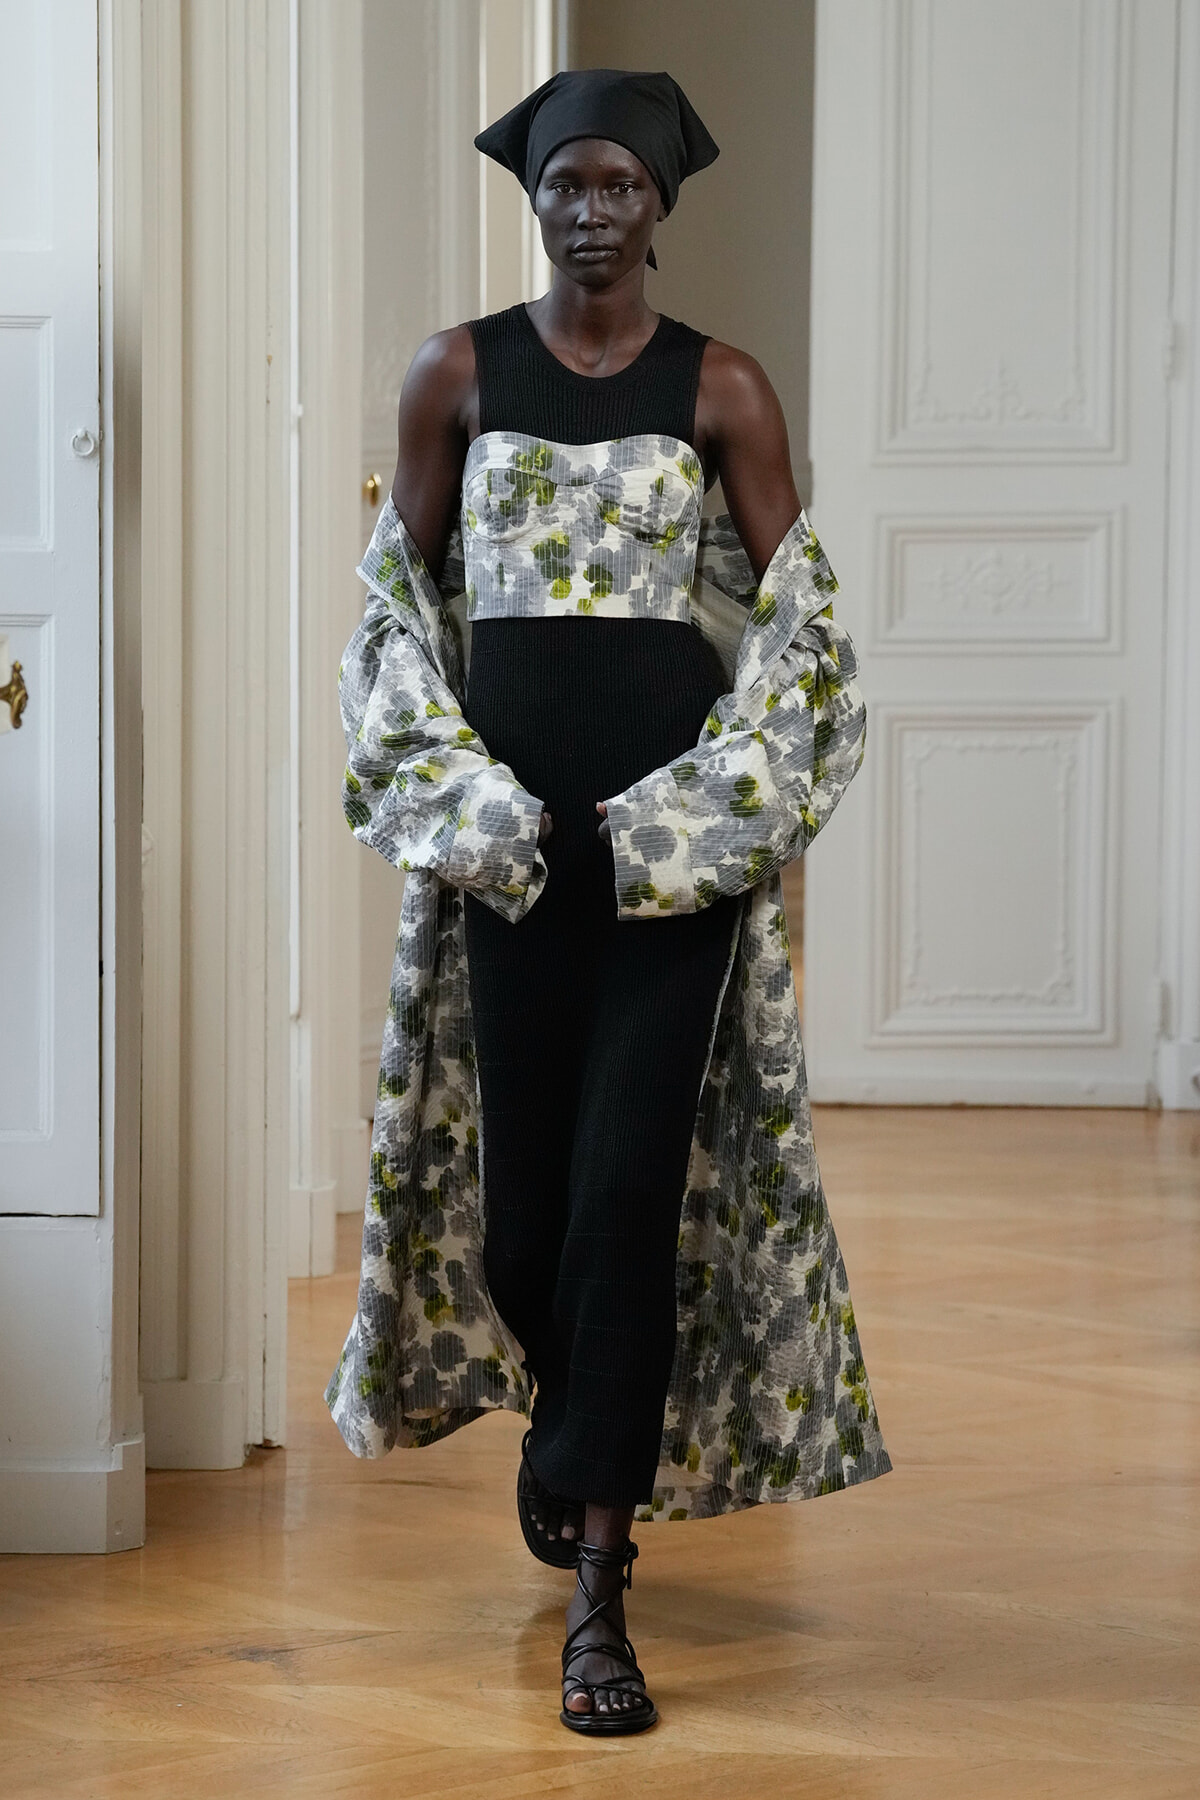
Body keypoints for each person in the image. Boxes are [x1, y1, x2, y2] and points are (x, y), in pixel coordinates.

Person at [326, 67, 891, 1737]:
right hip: (511, 854)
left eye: (618, 186)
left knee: (629, 1193)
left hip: (663, 859)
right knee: (521, 1219)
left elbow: (803, 629)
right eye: (565, 183)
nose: (590, 211)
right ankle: (569, 1423)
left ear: (660, 203)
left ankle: (598, 1581)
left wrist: (711, 813)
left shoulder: (721, 385)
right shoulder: (457, 373)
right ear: (534, 196)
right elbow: (393, 619)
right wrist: (463, 803)